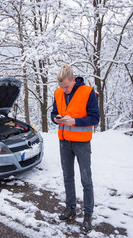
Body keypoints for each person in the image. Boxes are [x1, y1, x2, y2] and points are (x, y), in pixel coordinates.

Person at [51, 65, 100, 233]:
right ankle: (70, 207)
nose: (64, 90)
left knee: (86, 180)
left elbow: (95, 118)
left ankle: (88, 214)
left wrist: (75, 122)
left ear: (73, 80)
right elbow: (53, 113)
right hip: (64, 142)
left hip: (81, 143)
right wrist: (55, 119)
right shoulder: (58, 93)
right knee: (67, 177)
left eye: (66, 86)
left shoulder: (88, 92)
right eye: (61, 87)